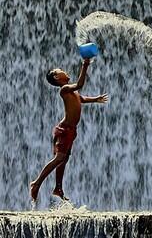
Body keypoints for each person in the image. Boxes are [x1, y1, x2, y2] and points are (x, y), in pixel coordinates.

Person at [30, 59, 108, 203]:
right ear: (57, 77)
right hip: (64, 130)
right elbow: (80, 84)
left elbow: (81, 98)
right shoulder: (64, 89)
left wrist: (95, 99)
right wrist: (85, 66)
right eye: (60, 70)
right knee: (59, 158)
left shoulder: (72, 92)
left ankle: (58, 188)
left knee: (63, 159)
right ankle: (36, 183)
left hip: (71, 130)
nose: (64, 70)